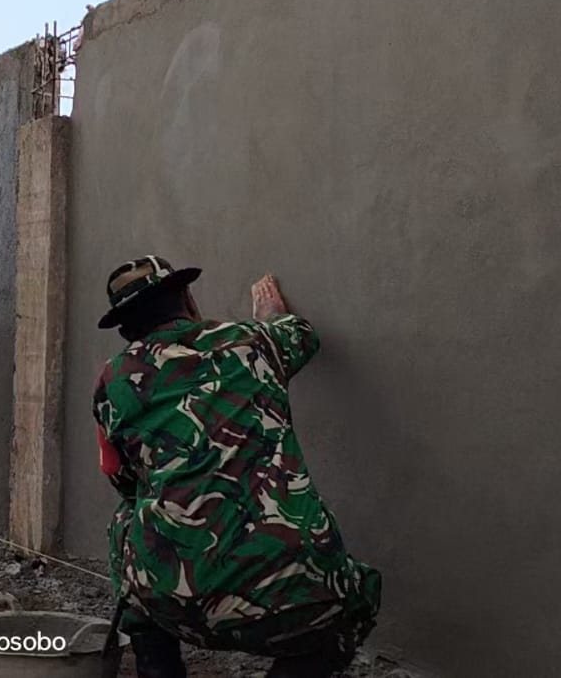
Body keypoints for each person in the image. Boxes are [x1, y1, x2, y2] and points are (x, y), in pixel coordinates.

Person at [92, 256, 381, 678]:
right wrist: (271, 318)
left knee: (126, 519)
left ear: (125, 329)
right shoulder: (251, 342)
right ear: (188, 299)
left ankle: (157, 668)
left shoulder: (112, 380)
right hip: (288, 598)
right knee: (358, 598)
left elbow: (123, 481)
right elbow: (302, 335)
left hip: (171, 603)